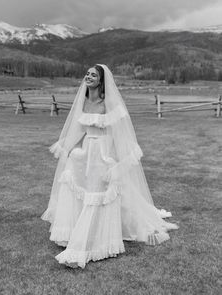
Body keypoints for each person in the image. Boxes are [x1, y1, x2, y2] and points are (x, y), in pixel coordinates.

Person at [41, 64, 178, 268]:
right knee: (72, 181)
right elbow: (78, 129)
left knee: (98, 196)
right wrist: (66, 148)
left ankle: (92, 241)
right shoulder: (84, 101)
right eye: (87, 74)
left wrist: (119, 163)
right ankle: (70, 232)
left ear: (101, 80)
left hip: (104, 155)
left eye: (93, 75)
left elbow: (121, 136)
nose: (88, 77)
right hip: (86, 153)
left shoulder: (110, 104)